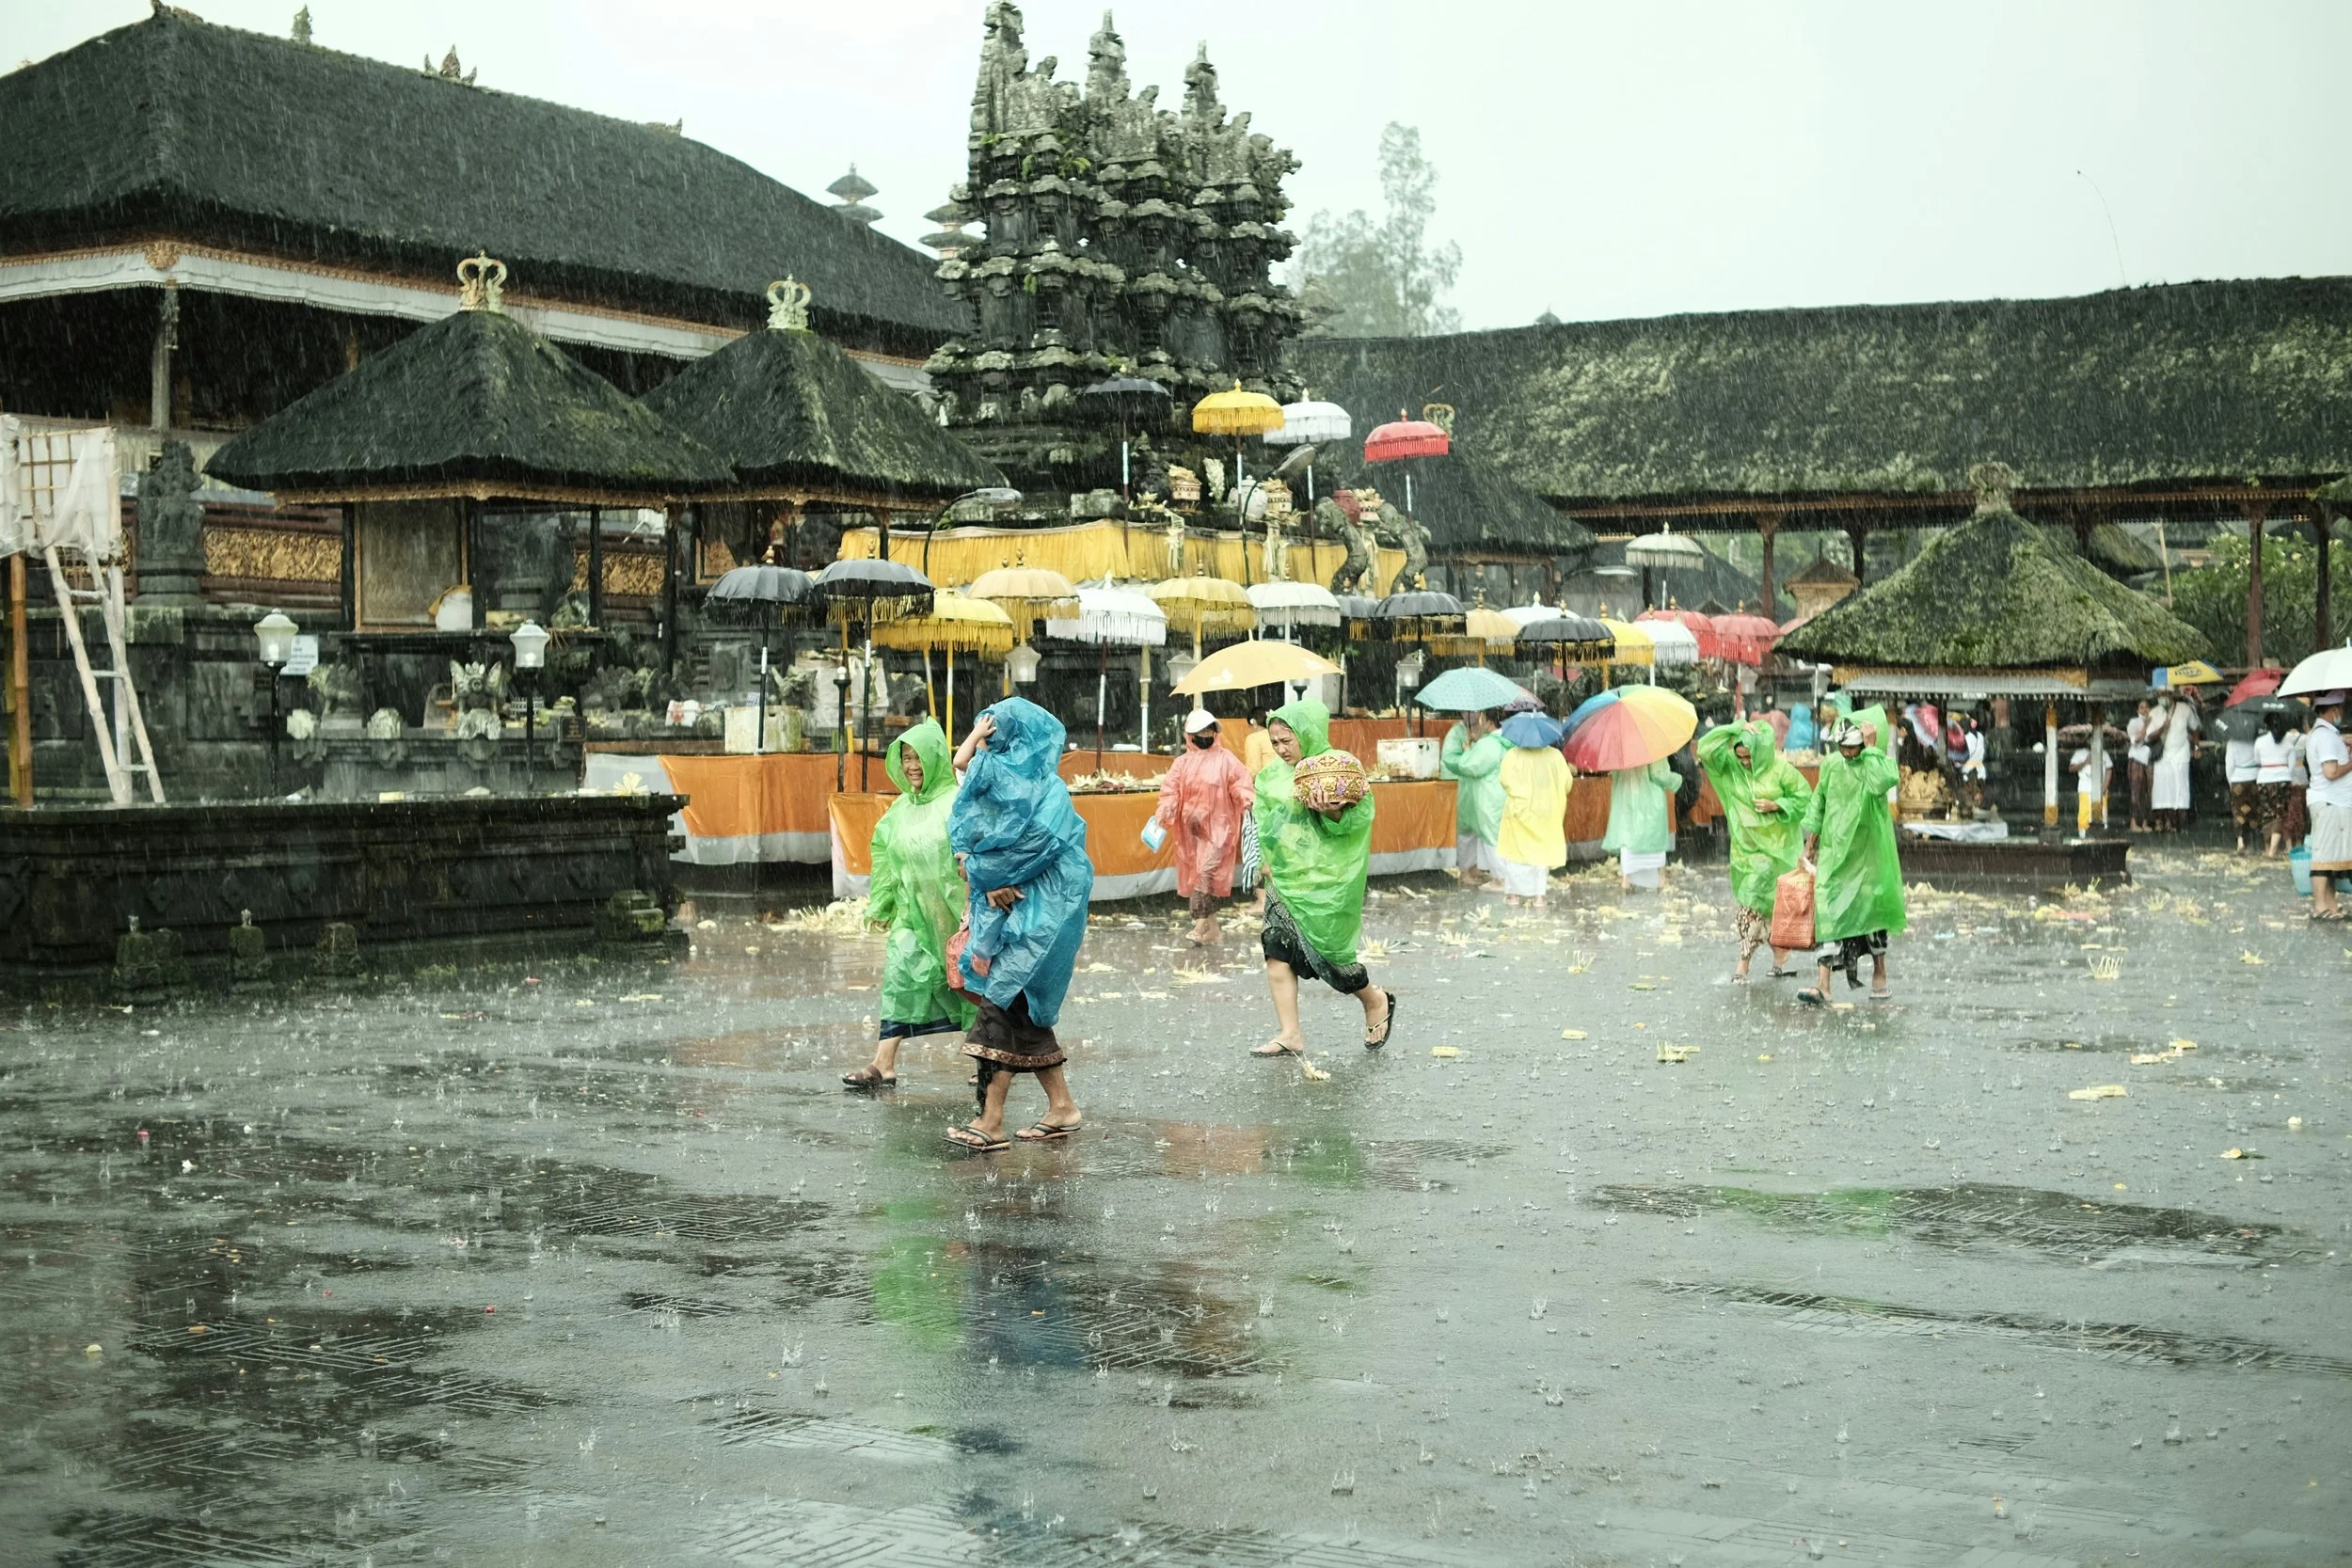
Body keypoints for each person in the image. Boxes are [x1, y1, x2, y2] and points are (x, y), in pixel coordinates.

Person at [945, 699, 1094, 1151]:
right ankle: (1062, 1106)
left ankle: (990, 1121)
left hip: (1044, 913)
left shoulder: (1050, 794)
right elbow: (968, 830)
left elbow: (1041, 845)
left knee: (1000, 1004)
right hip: (1009, 914)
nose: (996, 746)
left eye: (1000, 736)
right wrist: (974, 866)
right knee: (1021, 1010)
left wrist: (992, 875)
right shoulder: (993, 786)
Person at [1249, 699, 1396, 1058]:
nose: (1281, 749)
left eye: (1288, 740)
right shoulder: (1270, 777)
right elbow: (1265, 822)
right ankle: (1290, 1033)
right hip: (1286, 877)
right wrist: (1267, 861)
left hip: (1328, 880)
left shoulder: (1341, 768)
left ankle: (1375, 999)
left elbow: (1360, 818)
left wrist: (1333, 812)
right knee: (1276, 950)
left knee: (1330, 958)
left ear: (1308, 733)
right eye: (1275, 742)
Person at [843, 720, 973, 1091]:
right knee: (901, 976)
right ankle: (883, 1064)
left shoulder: (957, 803)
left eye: (919, 757)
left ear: (935, 758)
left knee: (968, 986)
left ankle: (984, 1058)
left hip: (955, 915)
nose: (913, 765)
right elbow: (884, 857)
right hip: (912, 916)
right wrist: (880, 905)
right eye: (906, 758)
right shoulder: (898, 811)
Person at [1697, 718, 1813, 981]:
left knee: (1775, 909)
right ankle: (1743, 962)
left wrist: (1777, 804)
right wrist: (1734, 729)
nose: (1745, 762)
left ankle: (1778, 954)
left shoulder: (1781, 771)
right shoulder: (1731, 770)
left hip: (1779, 854)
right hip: (1747, 853)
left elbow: (1805, 799)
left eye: (1749, 757)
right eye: (1740, 757)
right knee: (1749, 904)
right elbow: (1705, 749)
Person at [1799, 720, 1906, 1004]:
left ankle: (1879, 974)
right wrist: (1810, 843)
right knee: (1829, 914)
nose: (1848, 753)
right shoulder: (1832, 765)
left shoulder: (1873, 763)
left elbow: (1884, 780)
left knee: (1871, 916)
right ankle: (1824, 984)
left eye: (1853, 748)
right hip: (1836, 855)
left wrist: (1871, 750)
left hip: (1868, 856)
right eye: (1843, 748)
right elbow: (1819, 802)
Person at [1155, 708, 1255, 943]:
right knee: (1200, 877)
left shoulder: (1226, 760)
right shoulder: (1181, 764)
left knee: (1204, 874)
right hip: (1191, 834)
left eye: (1209, 730)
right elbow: (1170, 791)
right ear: (1190, 735)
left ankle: (1199, 925)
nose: (1205, 734)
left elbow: (1240, 783)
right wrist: (1166, 809)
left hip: (1220, 831)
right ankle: (1213, 930)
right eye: (1200, 731)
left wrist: (1248, 800)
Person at [1495, 718, 1572, 906]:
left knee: (1514, 855)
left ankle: (1512, 895)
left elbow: (1504, 781)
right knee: (1541, 857)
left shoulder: (1512, 755)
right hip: (1546, 813)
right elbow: (1567, 783)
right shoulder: (1555, 757)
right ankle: (1539, 896)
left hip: (1519, 812)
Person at [1440, 707, 1506, 888]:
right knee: (1468, 831)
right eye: (1466, 712)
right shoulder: (1457, 732)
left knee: (1484, 831)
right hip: (1467, 788)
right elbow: (1450, 759)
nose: (1471, 715)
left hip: (1482, 790)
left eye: (1476, 712)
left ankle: (1489, 874)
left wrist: (1470, 750)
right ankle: (1466, 869)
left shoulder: (1488, 739)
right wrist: (1468, 753)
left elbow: (1475, 763)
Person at [1602, 750, 1681, 892]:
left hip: (1625, 796)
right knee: (1654, 840)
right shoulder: (1653, 745)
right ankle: (1661, 878)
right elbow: (1659, 774)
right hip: (1649, 799)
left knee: (1628, 839)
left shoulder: (1620, 746)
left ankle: (1627, 879)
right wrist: (1677, 779)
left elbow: (1615, 773)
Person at [2306, 690, 2352, 921]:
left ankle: (2331, 906)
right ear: (2334, 709)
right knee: (2323, 855)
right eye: (2341, 709)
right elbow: (2331, 772)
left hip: (2335, 802)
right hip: (2329, 801)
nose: (2342, 713)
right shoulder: (2325, 736)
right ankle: (2320, 906)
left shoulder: (2327, 734)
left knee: (2332, 856)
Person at [2149, 689, 2201, 831]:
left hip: (2181, 755)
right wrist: (2162, 729)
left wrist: (2196, 748)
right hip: (2162, 756)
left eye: (2164, 694)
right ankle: (2161, 821)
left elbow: (2195, 729)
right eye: (2158, 695)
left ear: (2171, 695)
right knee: (2161, 790)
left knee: (2180, 789)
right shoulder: (2154, 712)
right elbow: (2149, 736)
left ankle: (2177, 823)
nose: (2161, 697)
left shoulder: (2185, 709)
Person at [2253, 709, 2297, 857]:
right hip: (2283, 780)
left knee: (2267, 814)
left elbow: (2257, 761)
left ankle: (2269, 848)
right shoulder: (2289, 743)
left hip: (2264, 779)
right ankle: (2273, 849)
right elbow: (2291, 767)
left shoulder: (2259, 742)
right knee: (2280, 814)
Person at [2225, 721, 2262, 851]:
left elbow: (2229, 765)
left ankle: (2240, 840)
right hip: (2254, 778)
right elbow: (2259, 760)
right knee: (2253, 811)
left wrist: (2231, 782)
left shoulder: (2232, 742)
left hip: (2238, 779)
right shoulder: (2256, 740)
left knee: (2238, 811)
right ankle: (2252, 840)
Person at [2070, 733, 2115, 833]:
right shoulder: (2080, 753)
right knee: (2085, 813)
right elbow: (2071, 768)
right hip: (2085, 788)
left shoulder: (2104, 754)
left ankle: (2102, 834)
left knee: (2102, 813)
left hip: (2101, 788)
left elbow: (2109, 770)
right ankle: (2083, 834)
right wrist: (2085, 762)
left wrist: (2105, 785)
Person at [2125, 698, 2155, 832]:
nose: (2145, 710)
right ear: (2138, 710)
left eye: (2147, 707)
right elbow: (2136, 740)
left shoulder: (2153, 722)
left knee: (2147, 792)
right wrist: (2146, 725)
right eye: (2142, 707)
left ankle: (2144, 822)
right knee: (2136, 792)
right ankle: (2133, 822)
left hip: (2148, 759)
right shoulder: (2134, 722)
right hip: (2136, 759)